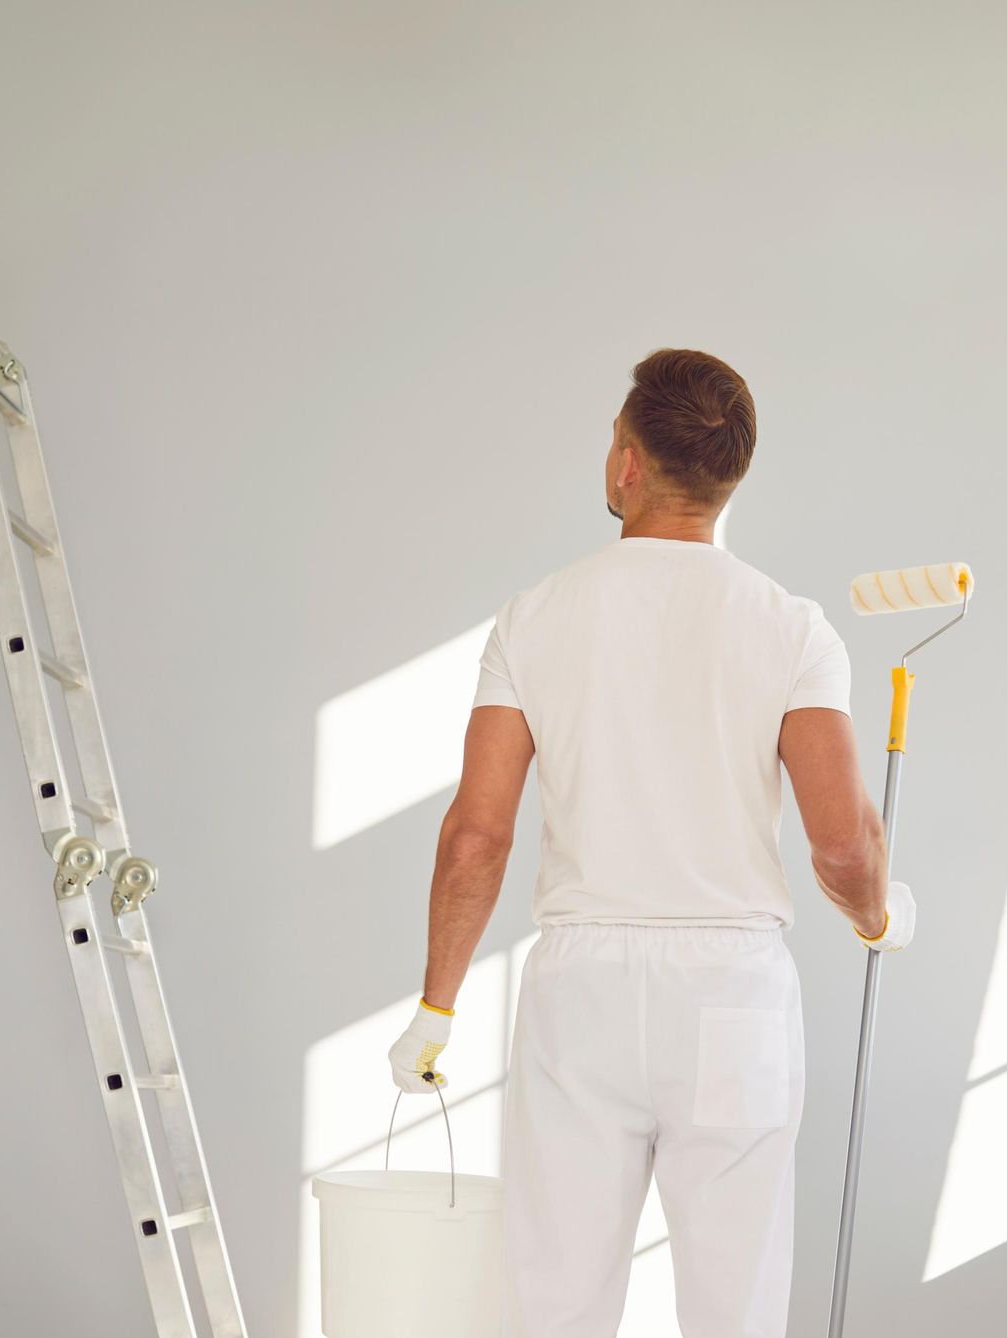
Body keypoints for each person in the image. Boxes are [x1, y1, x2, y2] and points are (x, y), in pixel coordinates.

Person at [386, 348, 917, 1337]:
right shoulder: (793, 630)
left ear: (628, 463)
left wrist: (436, 1007)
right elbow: (845, 848)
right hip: (732, 990)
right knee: (735, 1309)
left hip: (581, 994)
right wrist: (877, 916)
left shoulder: (534, 619)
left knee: (556, 1304)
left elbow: (476, 838)